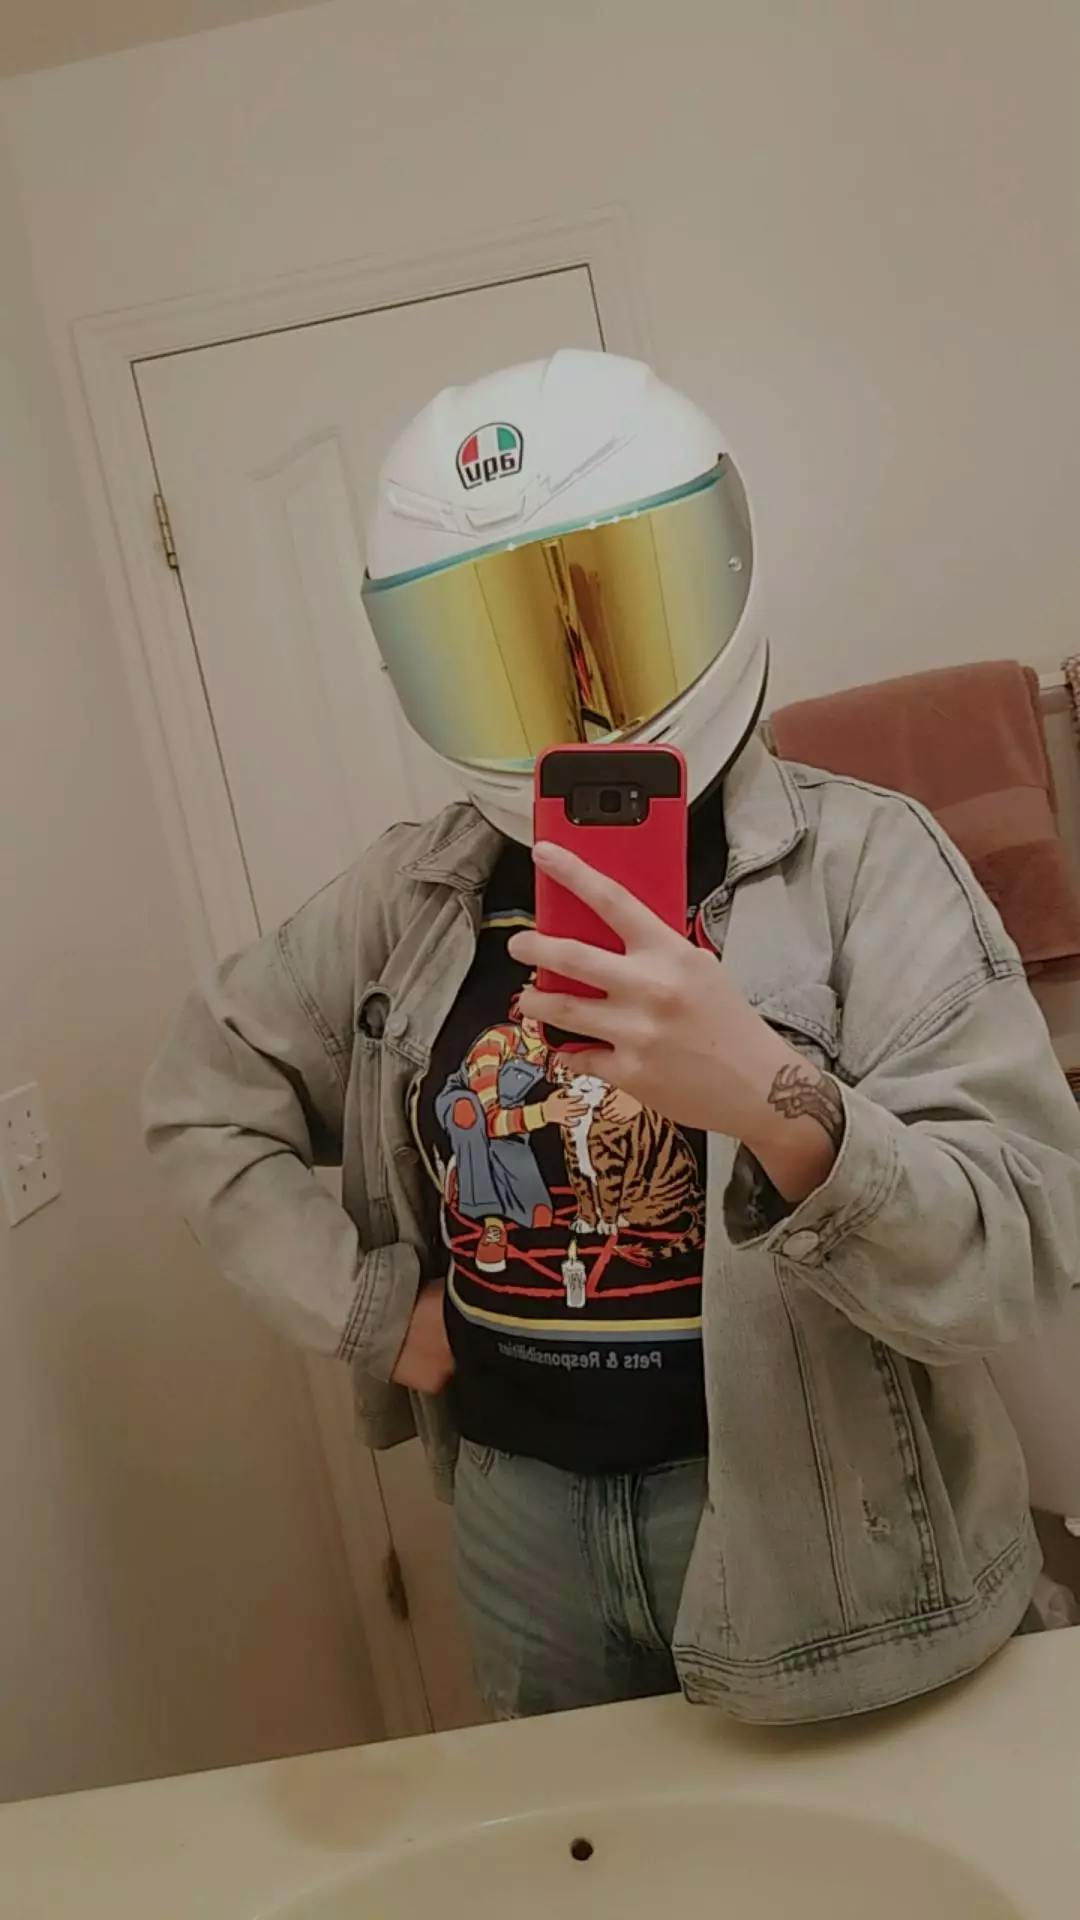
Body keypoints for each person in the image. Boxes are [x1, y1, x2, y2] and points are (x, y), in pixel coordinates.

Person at [144, 349, 1080, 1724]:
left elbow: (1017, 1257)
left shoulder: (871, 866)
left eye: (611, 619)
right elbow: (203, 1095)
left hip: (825, 1521)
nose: (575, 692)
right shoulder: (412, 891)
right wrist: (367, 1312)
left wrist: (772, 1097)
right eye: (502, 647)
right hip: (519, 1516)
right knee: (587, 1842)